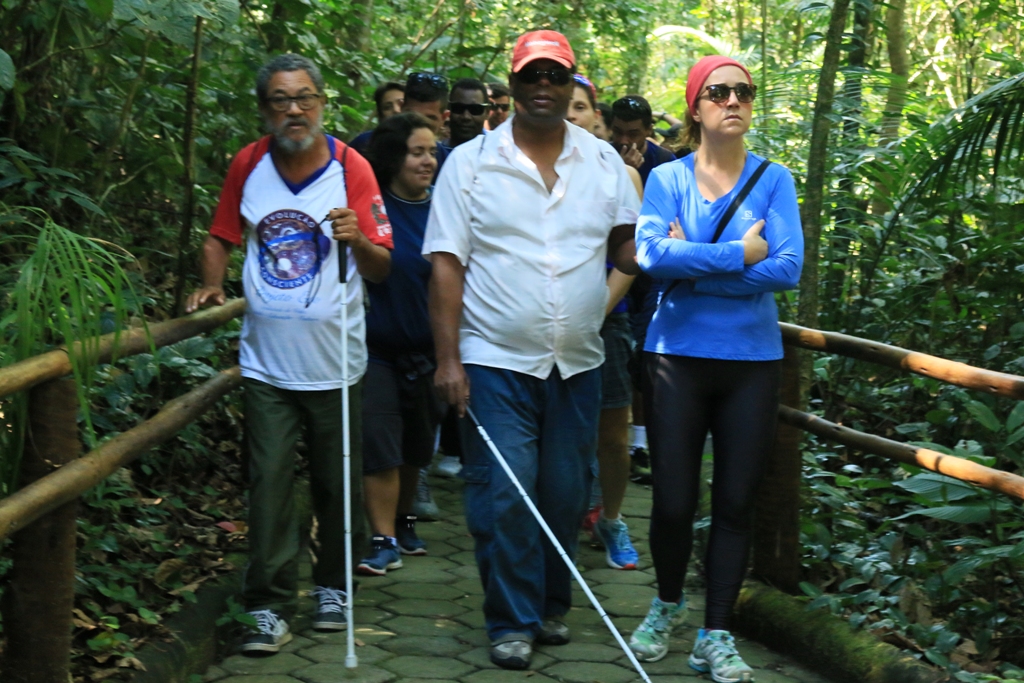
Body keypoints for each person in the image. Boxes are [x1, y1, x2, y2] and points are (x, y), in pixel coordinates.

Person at [424, 30, 641, 670]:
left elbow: (628, 249)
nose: (543, 87)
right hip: (495, 360)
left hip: (577, 361)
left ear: (572, 83)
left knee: (565, 495)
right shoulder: (470, 164)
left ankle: (550, 605)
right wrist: (448, 361)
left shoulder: (602, 163)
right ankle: (510, 619)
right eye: (531, 76)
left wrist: (685, 244)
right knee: (506, 493)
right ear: (512, 86)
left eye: (555, 76)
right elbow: (444, 267)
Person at [184, 54, 393, 653]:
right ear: (265, 109)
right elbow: (221, 234)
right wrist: (212, 284)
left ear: (323, 103)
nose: (294, 109)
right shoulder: (249, 164)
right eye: (280, 99)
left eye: (305, 97)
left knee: (336, 481)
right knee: (268, 483)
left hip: (337, 361)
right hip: (266, 363)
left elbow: (383, 264)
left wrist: (359, 239)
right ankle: (270, 605)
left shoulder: (351, 167)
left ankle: (333, 585)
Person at [627, 56, 803, 682]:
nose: (733, 100)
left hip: (751, 363)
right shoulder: (668, 179)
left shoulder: (774, 180)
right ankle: (666, 603)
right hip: (675, 356)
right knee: (673, 500)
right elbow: (650, 254)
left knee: (734, 502)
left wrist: (696, 266)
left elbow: (787, 268)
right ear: (696, 107)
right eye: (719, 91)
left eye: (744, 92)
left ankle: (716, 633)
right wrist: (736, 254)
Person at [356, 112, 444, 576]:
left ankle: (405, 521)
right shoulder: (374, 207)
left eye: (432, 151)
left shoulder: (445, 209)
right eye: (417, 152)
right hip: (377, 350)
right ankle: (382, 537)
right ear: (394, 158)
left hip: (430, 353)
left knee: (415, 448)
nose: (428, 161)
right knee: (381, 443)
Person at [567, 72, 644, 571]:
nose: (571, 114)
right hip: (548, 323)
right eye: (566, 105)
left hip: (607, 318)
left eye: (580, 106)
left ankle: (612, 518)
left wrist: (597, 308)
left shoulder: (621, 174)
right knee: (563, 432)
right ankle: (564, 519)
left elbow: (631, 258)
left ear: (595, 115)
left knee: (614, 433)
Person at [610, 94, 676, 184]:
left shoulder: (665, 161)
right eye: (618, 132)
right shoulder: (601, 156)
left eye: (633, 134)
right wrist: (623, 169)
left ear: (648, 131)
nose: (623, 141)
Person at [402, 71, 452, 174]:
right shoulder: (370, 148)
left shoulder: (450, 165)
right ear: (402, 110)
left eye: (429, 119)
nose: (421, 127)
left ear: (444, 118)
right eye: (414, 118)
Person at [349, 81, 405, 154]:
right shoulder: (365, 142)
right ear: (381, 114)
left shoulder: (423, 139)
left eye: (401, 104)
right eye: (387, 107)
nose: (396, 110)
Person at [445, 78, 490, 148]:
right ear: (448, 109)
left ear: (487, 112)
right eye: (458, 108)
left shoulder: (497, 152)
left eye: (475, 109)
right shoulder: (436, 154)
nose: (466, 117)